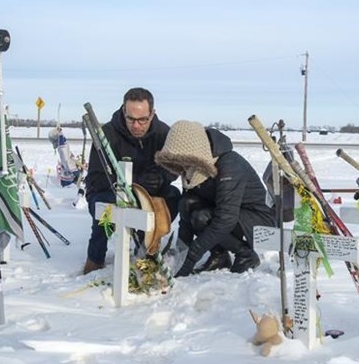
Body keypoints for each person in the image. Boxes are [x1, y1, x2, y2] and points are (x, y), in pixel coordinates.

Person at [154, 120, 276, 276]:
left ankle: (246, 255)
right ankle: (219, 256)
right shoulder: (192, 169)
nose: (182, 165)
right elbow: (186, 215)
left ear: (195, 152)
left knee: (202, 217)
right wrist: (180, 254)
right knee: (187, 203)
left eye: (184, 159)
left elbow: (225, 219)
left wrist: (191, 258)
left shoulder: (229, 165)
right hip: (228, 213)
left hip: (257, 219)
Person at [83, 88, 180, 274]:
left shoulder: (163, 134)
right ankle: (95, 259)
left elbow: (173, 168)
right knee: (105, 208)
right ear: (123, 111)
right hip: (109, 191)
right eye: (131, 119)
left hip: (148, 194)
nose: (136, 125)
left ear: (152, 114)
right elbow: (96, 178)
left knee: (173, 196)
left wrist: (160, 178)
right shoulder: (106, 135)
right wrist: (134, 181)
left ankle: (149, 245)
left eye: (142, 119)